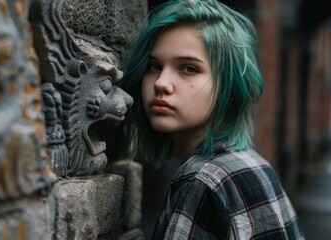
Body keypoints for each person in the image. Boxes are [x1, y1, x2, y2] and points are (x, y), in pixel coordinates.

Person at [120, 0, 304, 239]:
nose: (161, 83)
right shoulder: (251, 162)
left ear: (229, 86)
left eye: (188, 68)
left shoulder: (204, 181)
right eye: (154, 66)